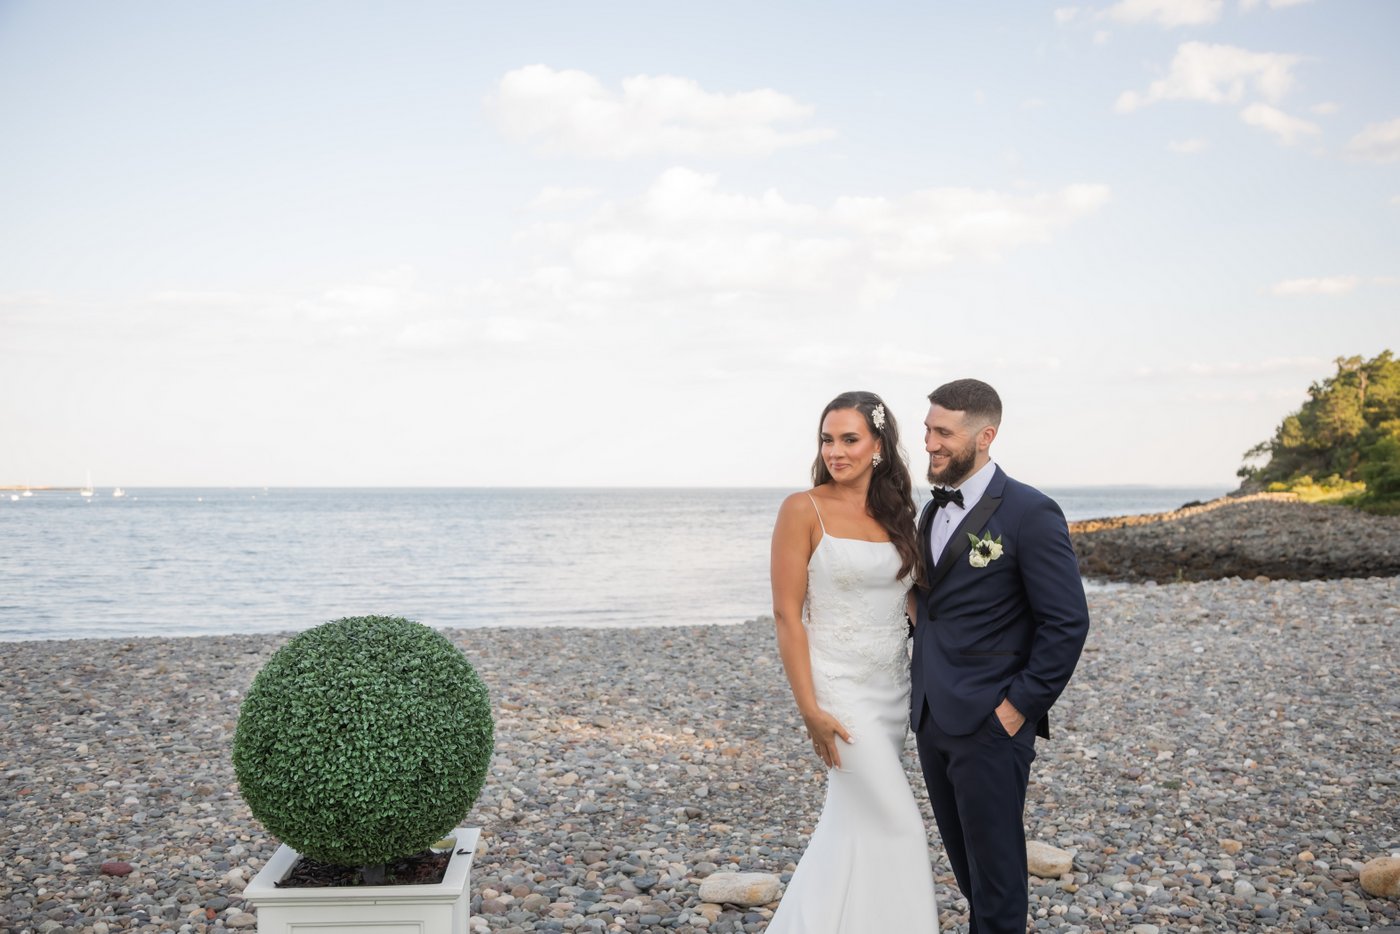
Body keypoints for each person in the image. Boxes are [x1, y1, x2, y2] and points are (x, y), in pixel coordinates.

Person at [911, 378, 1090, 934]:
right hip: (933, 717)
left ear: (985, 435)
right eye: (927, 429)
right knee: (969, 872)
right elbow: (931, 602)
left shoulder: (1030, 511)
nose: (930, 443)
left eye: (944, 432)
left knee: (998, 879)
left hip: (992, 720)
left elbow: (1067, 621)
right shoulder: (930, 511)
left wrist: (1017, 709)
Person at [766, 390, 939, 932]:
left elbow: (910, 599)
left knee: (851, 826)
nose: (835, 451)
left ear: (879, 446)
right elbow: (786, 615)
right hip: (837, 690)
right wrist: (809, 709)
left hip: (892, 691)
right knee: (900, 825)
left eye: (849, 439)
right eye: (827, 439)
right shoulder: (803, 508)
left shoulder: (900, 513)